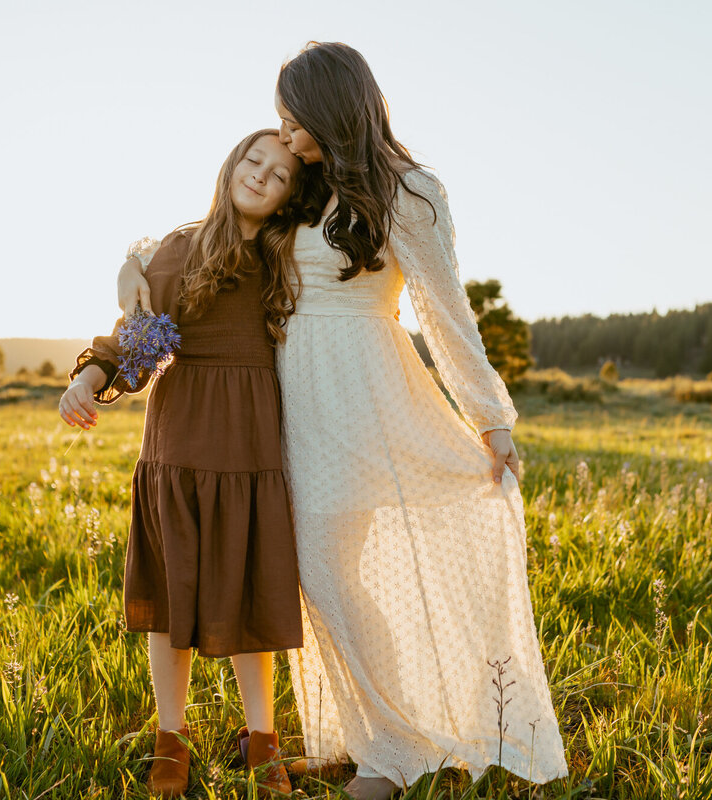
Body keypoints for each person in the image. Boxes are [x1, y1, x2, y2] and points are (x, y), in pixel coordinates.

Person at [119, 43, 567, 800]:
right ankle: (360, 735)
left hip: (362, 395)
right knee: (309, 578)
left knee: (331, 574)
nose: (287, 140)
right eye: (282, 126)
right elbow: (211, 232)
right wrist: (131, 262)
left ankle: (393, 755)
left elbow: (445, 312)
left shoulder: (412, 193)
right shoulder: (307, 188)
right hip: (284, 401)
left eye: (296, 124)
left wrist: (491, 418)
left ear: (334, 109)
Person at [62, 129, 312, 797]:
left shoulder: (290, 253)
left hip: (252, 451)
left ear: (293, 194)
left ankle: (263, 740)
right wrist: (88, 382)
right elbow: (135, 340)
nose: (261, 176)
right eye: (253, 161)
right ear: (231, 166)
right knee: (172, 605)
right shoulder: (180, 248)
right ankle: (171, 739)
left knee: (250, 598)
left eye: (280, 174)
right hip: (178, 449)